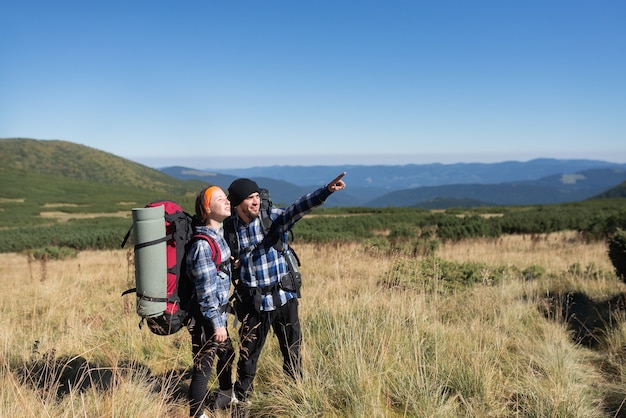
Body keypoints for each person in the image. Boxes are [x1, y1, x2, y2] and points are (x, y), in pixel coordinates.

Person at [226, 172, 347, 404]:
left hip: (284, 297)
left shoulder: (272, 218)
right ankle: (241, 400)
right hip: (254, 303)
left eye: (256, 196)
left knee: (292, 351)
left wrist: (326, 190)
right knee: (248, 356)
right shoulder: (230, 230)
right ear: (237, 203)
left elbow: (298, 208)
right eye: (249, 198)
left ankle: (296, 396)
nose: (255, 201)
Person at [185, 185, 238, 417]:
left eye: (226, 198)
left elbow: (216, 272)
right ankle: (196, 414)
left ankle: (225, 395)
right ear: (207, 209)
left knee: (227, 354)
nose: (226, 201)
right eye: (219, 199)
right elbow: (205, 292)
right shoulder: (203, 245)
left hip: (217, 315)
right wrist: (217, 325)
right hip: (207, 318)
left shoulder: (217, 237)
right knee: (203, 367)